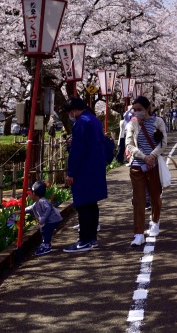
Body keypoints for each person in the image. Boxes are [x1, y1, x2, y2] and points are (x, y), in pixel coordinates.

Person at [63, 97, 107, 253]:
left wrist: (71, 172)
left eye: (69, 112)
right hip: (95, 167)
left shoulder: (81, 122)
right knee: (92, 204)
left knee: (83, 205)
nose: (69, 116)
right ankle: (91, 238)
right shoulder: (93, 120)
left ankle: (84, 240)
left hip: (84, 169)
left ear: (73, 110)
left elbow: (78, 150)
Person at [125, 95, 168, 248]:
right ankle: (138, 234)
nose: (136, 112)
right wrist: (144, 157)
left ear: (148, 109)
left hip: (153, 165)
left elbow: (163, 142)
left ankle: (155, 221)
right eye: (134, 110)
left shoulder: (158, 122)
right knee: (139, 200)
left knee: (155, 196)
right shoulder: (132, 124)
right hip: (137, 165)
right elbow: (129, 144)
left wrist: (152, 156)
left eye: (139, 109)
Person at [27, 181, 63, 256]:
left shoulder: (42, 201)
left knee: (45, 230)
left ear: (34, 194)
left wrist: (42, 220)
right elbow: (31, 207)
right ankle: (46, 243)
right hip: (50, 220)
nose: (28, 194)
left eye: (29, 192)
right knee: (44, 230)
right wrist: (21, 211)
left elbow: (48, 209)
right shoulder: (38, 202)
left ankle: (46, 245)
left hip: (53, 219)